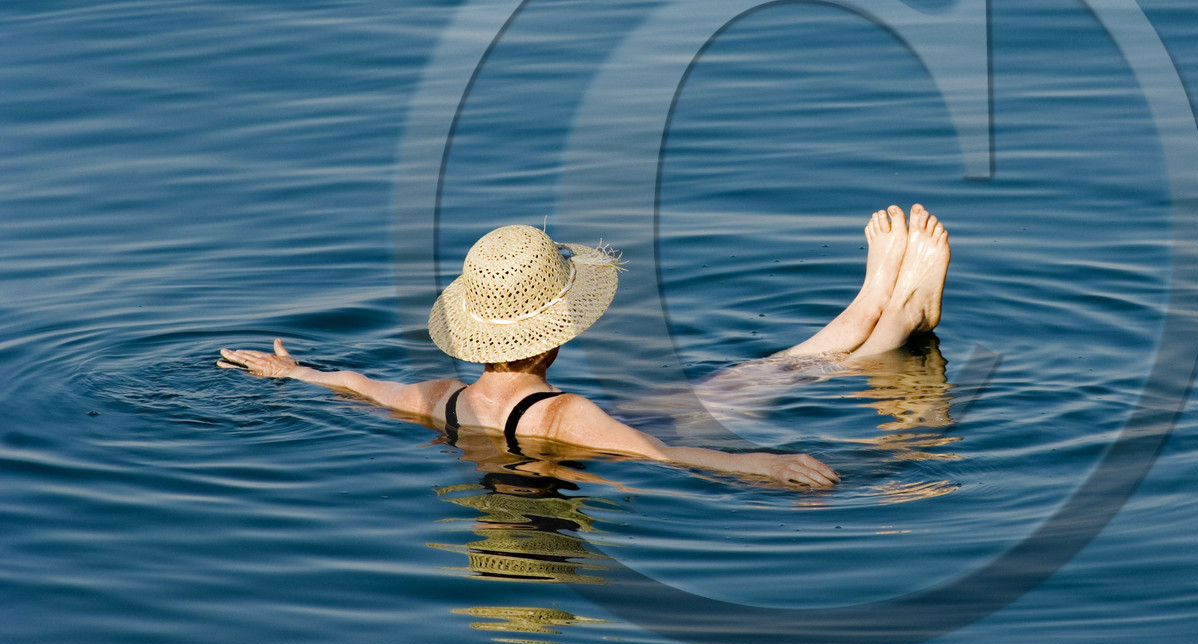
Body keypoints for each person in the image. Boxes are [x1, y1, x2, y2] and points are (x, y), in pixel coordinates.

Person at [219, 204, 950, 490]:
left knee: (737, 380)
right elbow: (671, 458)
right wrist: (767, 464)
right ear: (558, 333)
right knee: (749, 384)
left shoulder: (441, 400)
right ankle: (890, 319)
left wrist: (292, 371)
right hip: (626, 435)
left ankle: (875, 310)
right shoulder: (566, 416)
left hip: (608, 426)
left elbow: (359, 384)